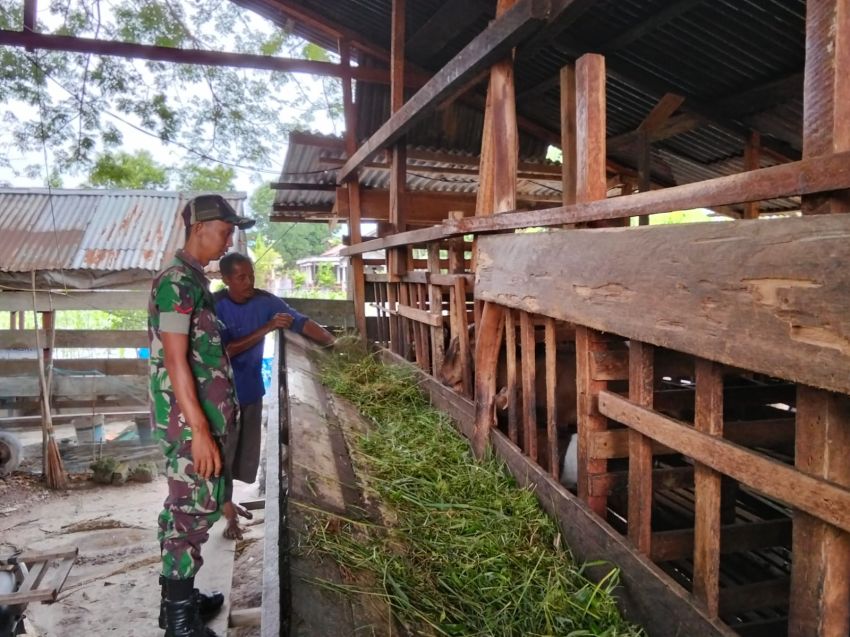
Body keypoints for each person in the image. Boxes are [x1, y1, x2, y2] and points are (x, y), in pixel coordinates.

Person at [148, 194, 254, 637]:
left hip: (204, 420)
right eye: (225, 232)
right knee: (189, 514)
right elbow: (175, 360)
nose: (229, 241)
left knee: (191, 506)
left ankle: (180, 602)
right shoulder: (176, 283)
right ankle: (180, 625)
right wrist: (199, 432)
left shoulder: (194, 282)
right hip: (190, 425)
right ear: (199, 228)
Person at [214, 252, 335, 539]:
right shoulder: (214, 306)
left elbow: (299, 322)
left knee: (241, 454)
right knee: (221, 454)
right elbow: (223, 352)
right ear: (226, 279)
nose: (249, 282)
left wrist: (334, 343)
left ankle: (225, 501)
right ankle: (225, 511)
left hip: (251, 390)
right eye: (241, 277)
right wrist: (267, 328)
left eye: (251, 275)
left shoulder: (265, 301)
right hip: (220, 395)